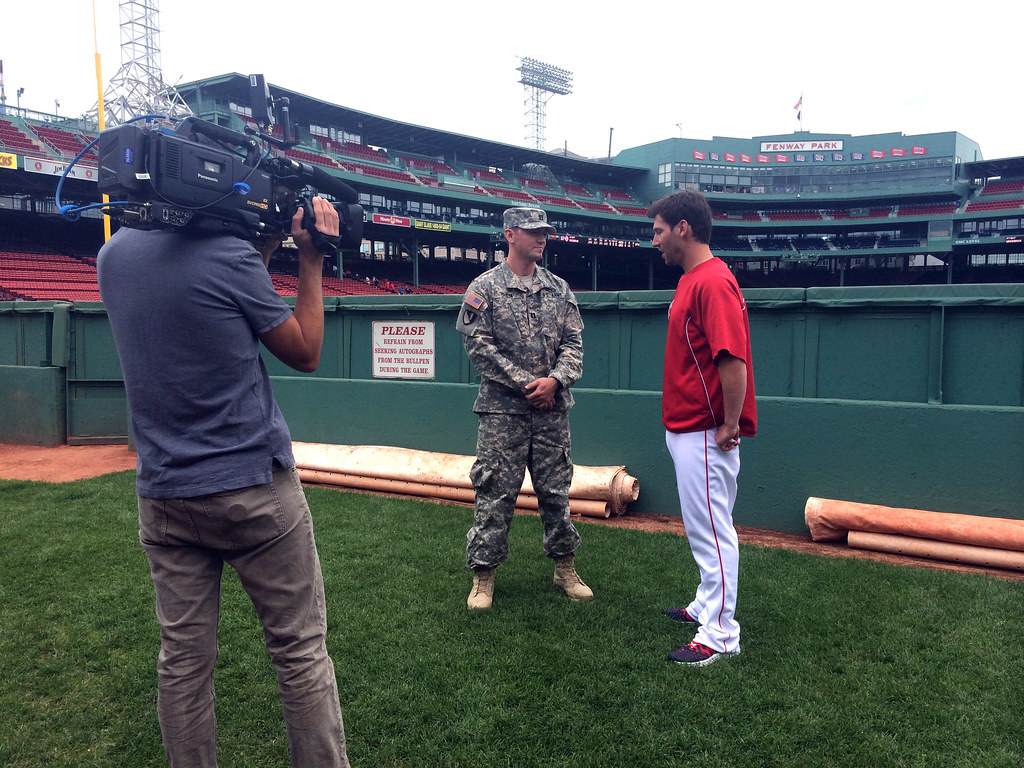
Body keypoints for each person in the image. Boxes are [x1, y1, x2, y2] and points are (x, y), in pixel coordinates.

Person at [97, 197, 351, 767]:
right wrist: (310, 260)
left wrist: (258, 247)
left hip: (163, 495)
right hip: (253, 493)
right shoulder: (229, 257)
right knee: (300, 652)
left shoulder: (111, 257)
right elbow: (305, 352)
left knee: (183, 663)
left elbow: (204, 294)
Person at [456, 206, 592, 610]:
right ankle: (483, 576)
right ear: (510, 234)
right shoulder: (484, 287)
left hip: (552, 410)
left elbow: (574, 345)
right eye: (533, 231)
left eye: (545, 231)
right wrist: (526, 384)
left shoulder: (559, 288)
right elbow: (477, 346)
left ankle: (564, 567)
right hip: (503, 412)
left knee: (556, 492)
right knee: (495, 492)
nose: (542, 237)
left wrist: (555, 381)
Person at [648, 190, 757, 667]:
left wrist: (729, 423)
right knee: (705, 528)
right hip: (691, 426)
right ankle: (705, 605)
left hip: (706, 429)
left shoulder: (711, 282)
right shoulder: (696, 279)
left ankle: (720, 634)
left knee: (712, 533)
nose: (655, 241)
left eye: (658, 230)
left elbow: (731, 361)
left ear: (683, 228)